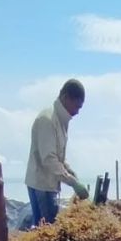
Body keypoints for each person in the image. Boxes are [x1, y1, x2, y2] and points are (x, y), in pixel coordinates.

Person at [25, 79, 89, 227]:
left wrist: (70, 171)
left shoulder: (60, 120)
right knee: (47, 231)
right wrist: (72, 182)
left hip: (48, 184)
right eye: (76, 106)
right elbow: (49, 159)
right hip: (42, 185)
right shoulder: (48, 120)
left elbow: (58, 156)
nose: (77, 112)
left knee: (45, 230)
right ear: (66, 98)